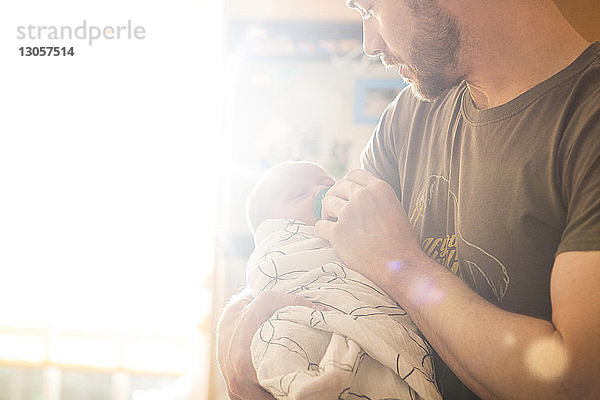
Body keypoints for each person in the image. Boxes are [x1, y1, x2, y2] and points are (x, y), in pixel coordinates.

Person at [218, 0, 600, 399]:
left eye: (368, 7)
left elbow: (577, 382)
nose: (369, 43)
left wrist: (402, 267)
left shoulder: (586, 120)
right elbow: (321, 251)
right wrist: (242, 319)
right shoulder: (408, 117)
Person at [219, 161, 441, 400]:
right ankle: (301, 385)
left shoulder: (363, 225)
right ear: (274, 228)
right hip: (302, 317)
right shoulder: (282, 245)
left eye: (328, 184)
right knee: (277, 337)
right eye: (300, 193)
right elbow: (273, 274)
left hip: (370, 326)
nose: (322, 192)